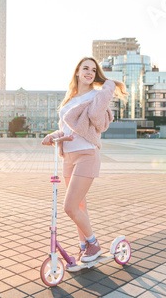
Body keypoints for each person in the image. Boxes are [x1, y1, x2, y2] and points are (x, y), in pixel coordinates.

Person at [42, 57, 127, 264]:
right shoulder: (69, 100)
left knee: (69, 207)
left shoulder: (97, 96)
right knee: (80, 206)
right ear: (77, 72)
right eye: (85, 68)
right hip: (68, 157)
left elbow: (97, 119)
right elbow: (66, 128)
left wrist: (109, 85)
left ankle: (93, 243)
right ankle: (84, 247)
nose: (89, 72)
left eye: (93, 69)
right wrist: (54, 135)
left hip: (87, 154)